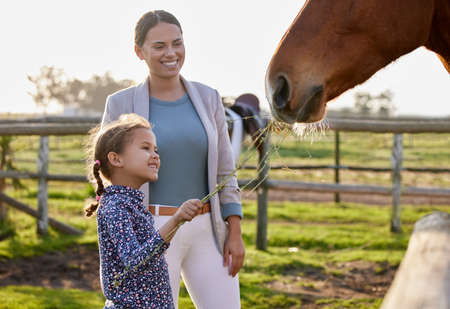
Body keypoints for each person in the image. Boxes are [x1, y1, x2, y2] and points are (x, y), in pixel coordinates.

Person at [101, 10, 245, 308]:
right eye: (159, 46)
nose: (171, 53)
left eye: (177, 43)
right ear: (139, 51)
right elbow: (107, 170)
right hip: (150, 231)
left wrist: (235, 230)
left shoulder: (209, 98)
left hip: (208, 230)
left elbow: (225, 171)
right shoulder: (120, 103)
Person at [85, 113, 203, 308]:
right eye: (145, 148)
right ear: (116, 159)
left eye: (156, 149)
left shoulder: (132, 203)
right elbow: (135, 260)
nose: (155, 155)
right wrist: (176, 220)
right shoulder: (116, 207)